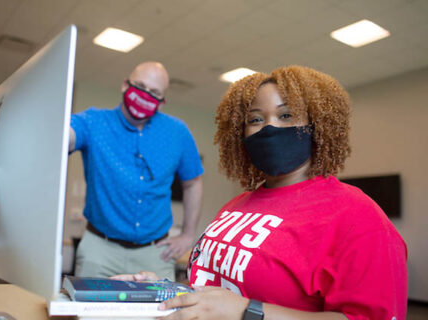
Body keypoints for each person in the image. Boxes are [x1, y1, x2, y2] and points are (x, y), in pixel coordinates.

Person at [114, 66, 408, 320]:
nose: (269, 127)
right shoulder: (237, 205)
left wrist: (248, 311)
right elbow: (217, 291)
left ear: (318, 126)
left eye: (287, 115)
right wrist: (163, 291)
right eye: (255, 119)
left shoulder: (358, 216)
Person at [69, 61, 204, 280]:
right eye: (140, 86)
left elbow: (193, 182)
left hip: (155, 254)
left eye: (154, 92)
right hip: (99, 250)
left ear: (161, 103)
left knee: (160, 314)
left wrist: (188, 234)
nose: (144, 95)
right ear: (125, 85)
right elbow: (66, 134)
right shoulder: (94, 122)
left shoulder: (177, 132)